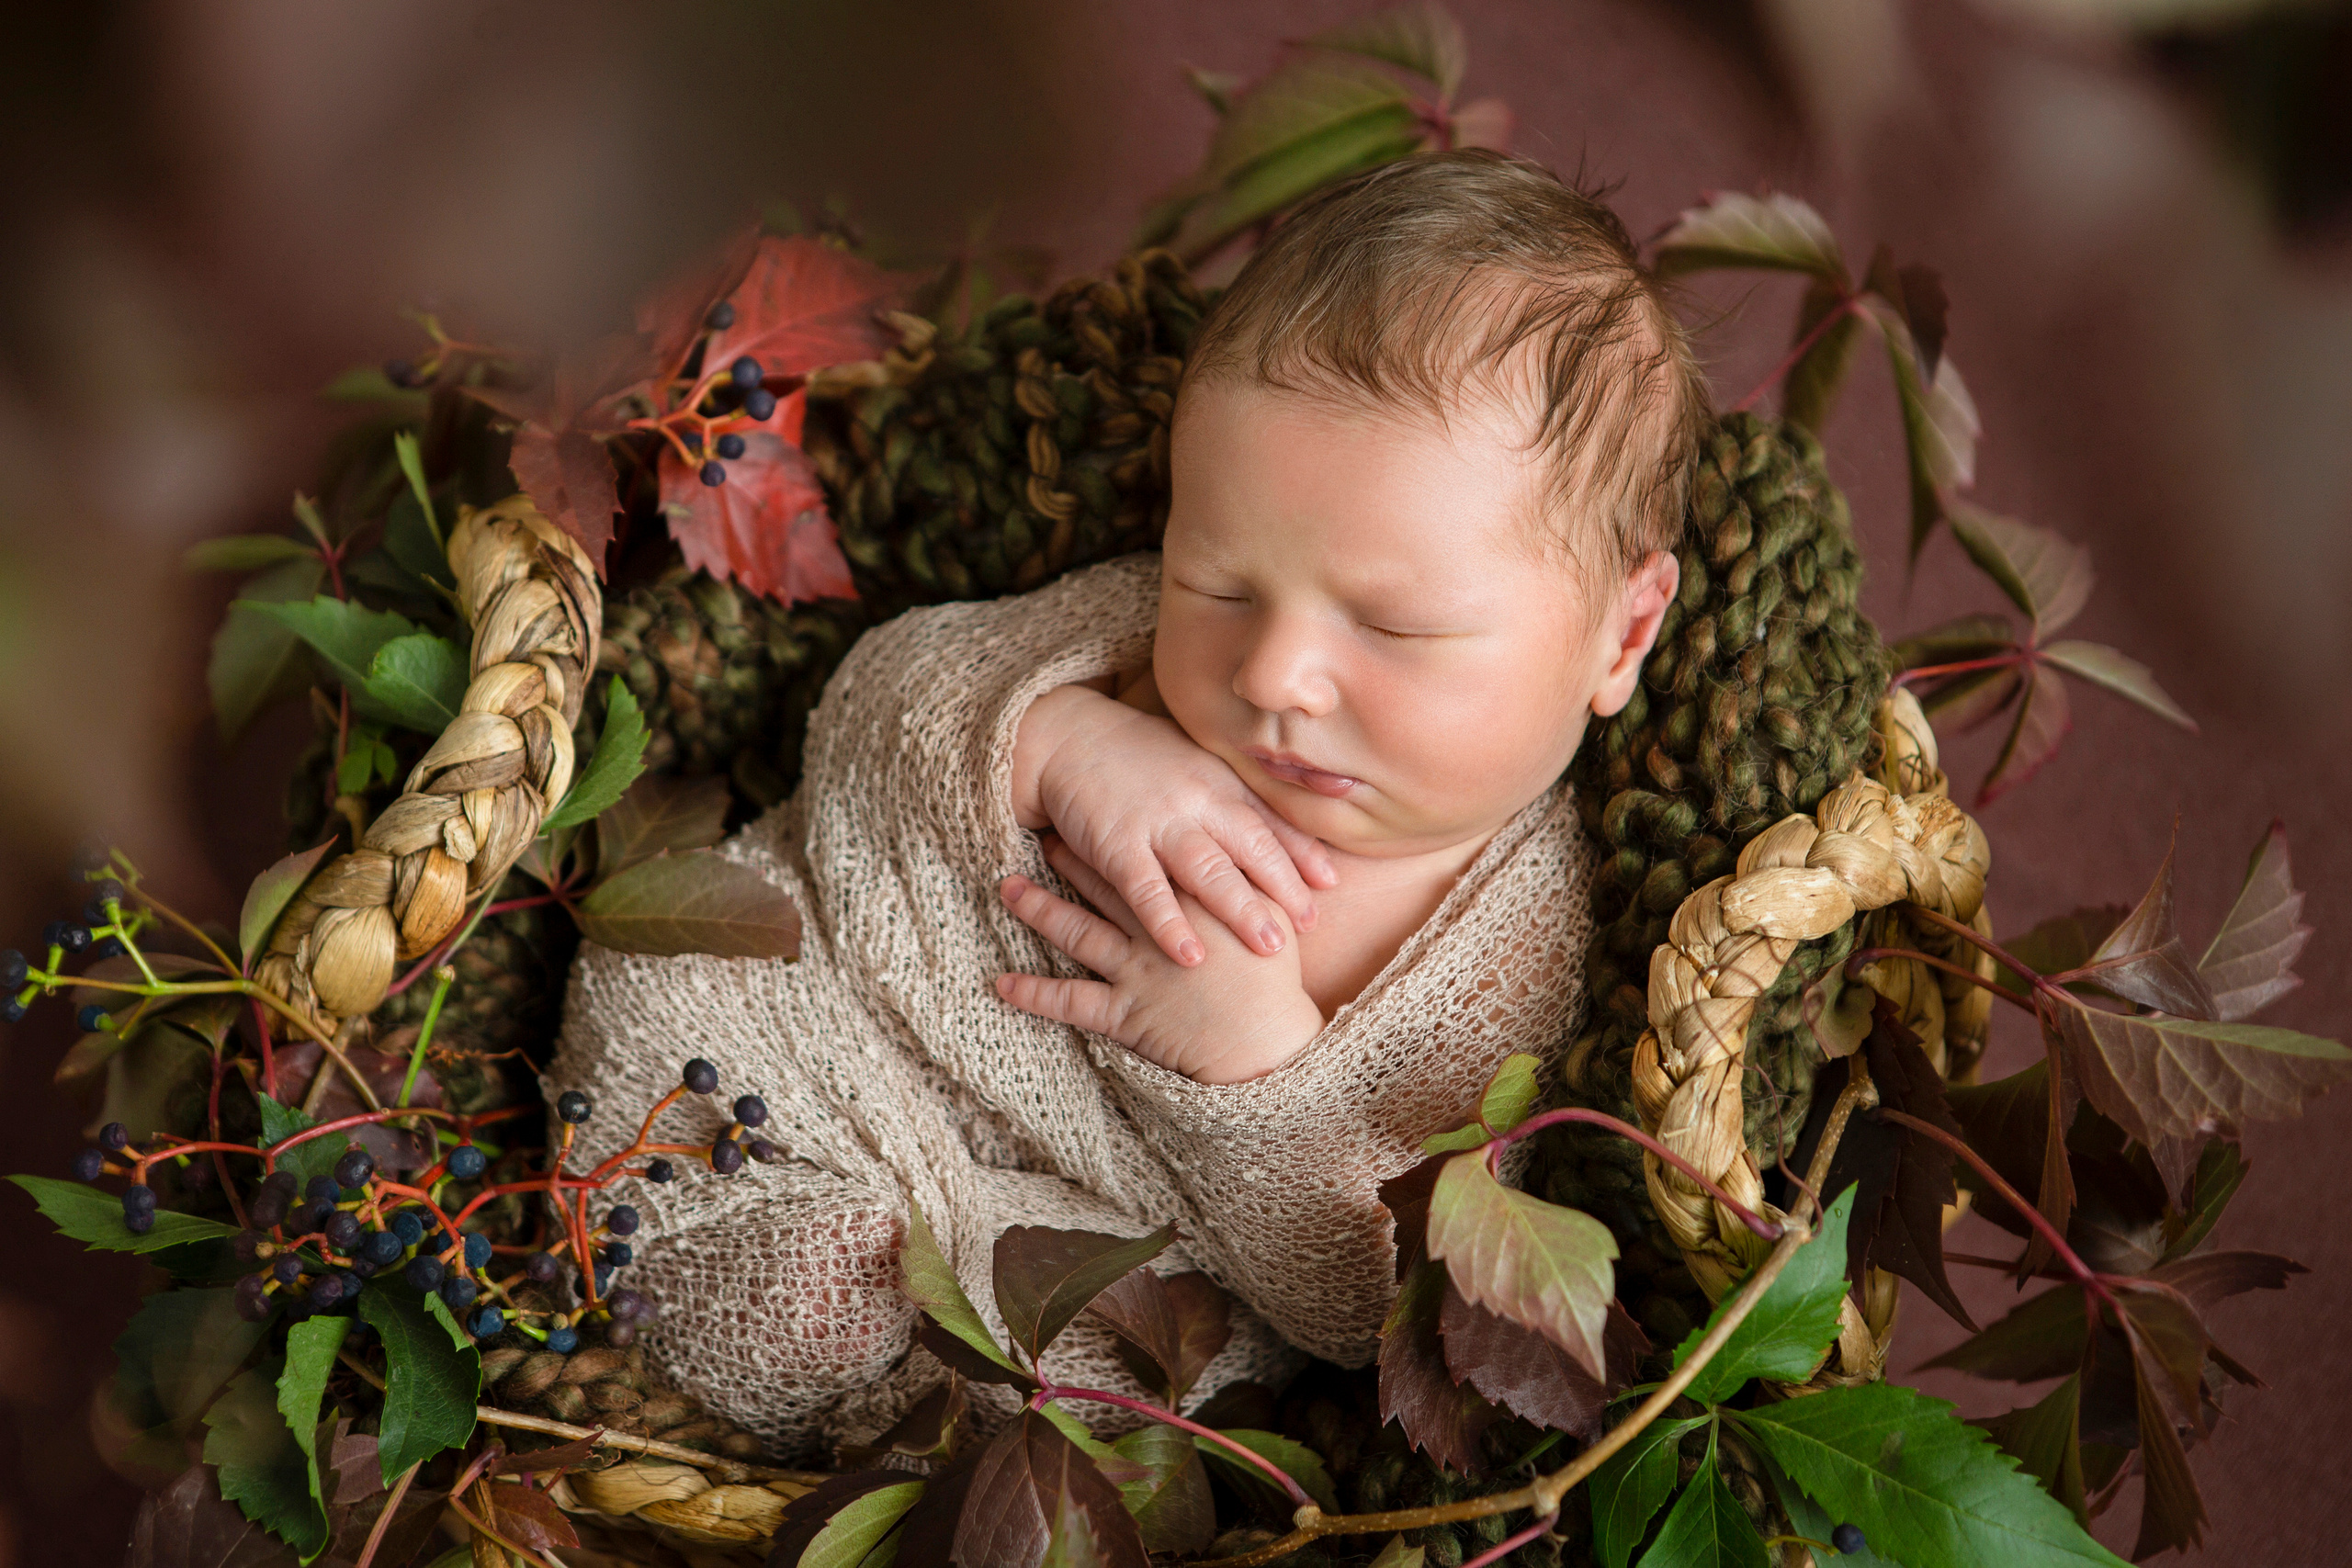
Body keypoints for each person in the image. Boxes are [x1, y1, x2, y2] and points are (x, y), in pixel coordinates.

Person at [545, 149, 1713, 1455]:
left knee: (1118, 1408)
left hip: (1054, 1293)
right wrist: (1050, 737)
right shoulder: (1117, 650)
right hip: (804, 1046)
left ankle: (875, 1429)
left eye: (1393, 627)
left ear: (1622, 635)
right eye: (1216, 583)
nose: (1272, 673)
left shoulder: (1533, 958)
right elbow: (869, 709)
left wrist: (1260, 1072)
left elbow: (1379, 1315)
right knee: (665, 984)